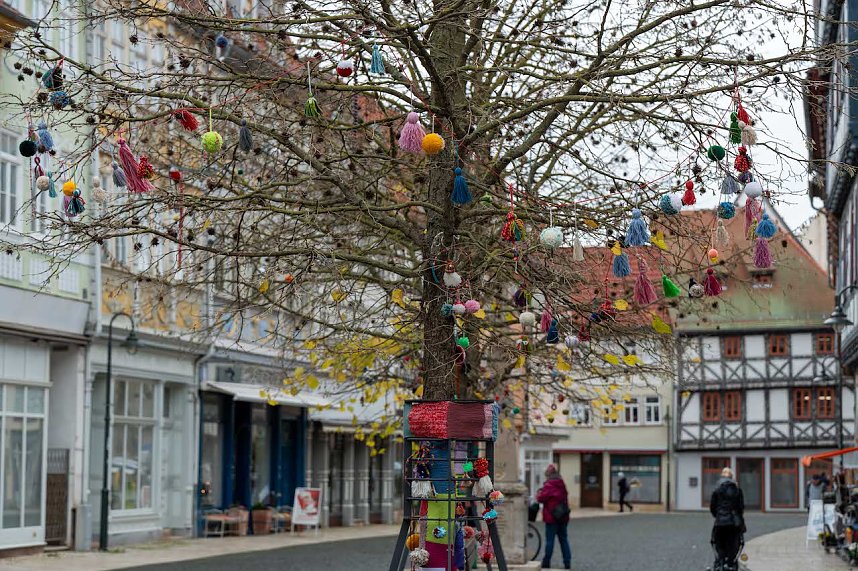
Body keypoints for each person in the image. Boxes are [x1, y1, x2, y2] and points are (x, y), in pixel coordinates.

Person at [536, 464, 571, 570]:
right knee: (564, 540)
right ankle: (567, 562)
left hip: (551, 517)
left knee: (550, 540)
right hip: (563, 516)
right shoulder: (561, 483)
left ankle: (546, 562)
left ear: (548, 474)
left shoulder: (549, 484)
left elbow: (541, 498)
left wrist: (539, 493)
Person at [710, 467, 745, 570]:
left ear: (722, 476)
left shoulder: (717, 489)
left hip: (720, 522)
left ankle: (720, 563)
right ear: (731, 477)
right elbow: (741, 507)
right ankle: (731, 564)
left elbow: (713, 506)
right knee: (733, 544)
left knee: (719, 543)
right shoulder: (737, 489)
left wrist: (718, 515)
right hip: (733, 523)